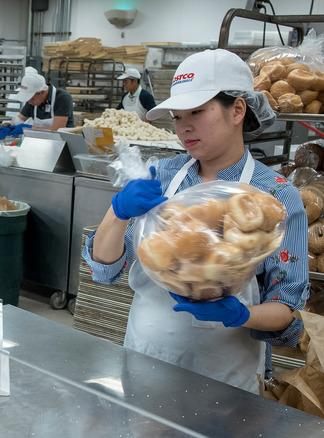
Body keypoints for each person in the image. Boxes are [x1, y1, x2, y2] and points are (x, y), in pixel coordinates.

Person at [82, 49, 308, 393]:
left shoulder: (274, 196)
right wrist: (117, 211)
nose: (183, 126)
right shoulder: (160, 176)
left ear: (237, 110)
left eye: (197, 112)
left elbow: (287, 311)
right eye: (176, 116)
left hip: (228, 379)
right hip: (146, 361)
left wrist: (243, 314)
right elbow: (104, 269)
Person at [0, 66, 74, 139]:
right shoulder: (33, 102)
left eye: (31, 98)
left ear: (42, 92)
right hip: (41, 144)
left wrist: (27, 128)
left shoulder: (62, 98)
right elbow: (19, 120)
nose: (29, 102)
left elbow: (57, 130)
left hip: (63, 144)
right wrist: (7, 126)